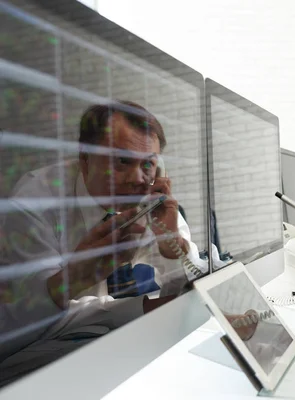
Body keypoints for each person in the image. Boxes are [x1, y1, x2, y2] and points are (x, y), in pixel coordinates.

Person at [0, 101, 206, 377]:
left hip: (113, 353)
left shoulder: (153, 199)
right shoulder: (34, 203)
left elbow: (188, 297)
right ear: (84, 158)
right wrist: (74, 279)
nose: (137, 179)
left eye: (148, 164)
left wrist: (173, 247)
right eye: (121, 161)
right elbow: (33, 322)